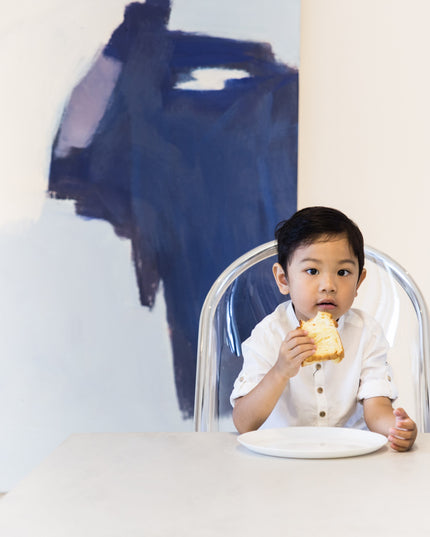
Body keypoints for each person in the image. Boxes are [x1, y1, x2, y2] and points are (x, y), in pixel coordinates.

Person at [231, 206, 417, 451]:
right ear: (283, 279)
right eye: (312, 271)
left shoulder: (367, 333)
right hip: (282, 458)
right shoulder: (269, 334)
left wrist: (395, 428)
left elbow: (376, 407)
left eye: (343, 272)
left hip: (349, 457)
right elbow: (244, 423)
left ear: (359, 281)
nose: (328, 285)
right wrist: (280, 371)